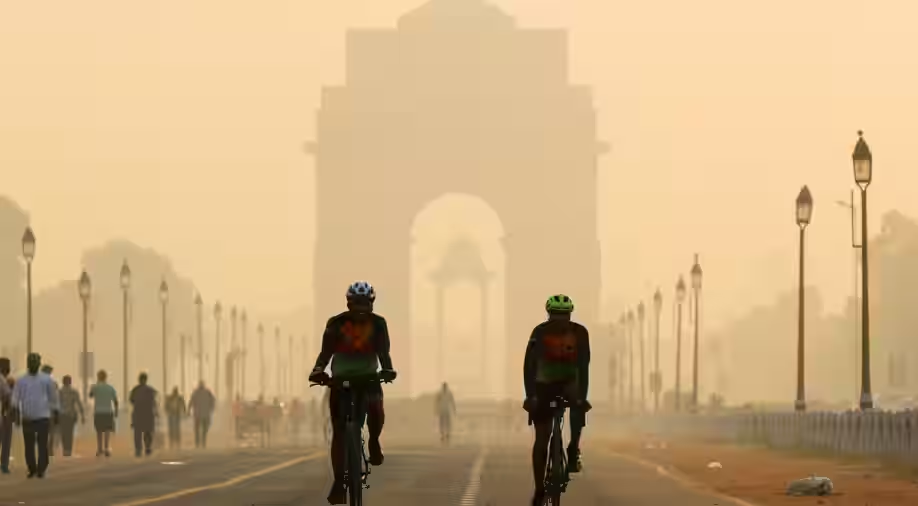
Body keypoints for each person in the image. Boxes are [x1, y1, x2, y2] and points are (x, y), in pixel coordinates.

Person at [308, 281, 397, 505]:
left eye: (364, 304)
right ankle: (339, 482)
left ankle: (374, 440)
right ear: (348, 303)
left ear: (371, 303)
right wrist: (318, 370)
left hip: (368, 378)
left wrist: (387, 369)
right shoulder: (336, 324)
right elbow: (325, 353)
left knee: (376, 411)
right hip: (341, 381)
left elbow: (383, 352)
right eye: (356, 304)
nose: (360, 309)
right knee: (339, 433)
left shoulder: (379, 324)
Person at [522, 295, 591, 506]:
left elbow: (583, 367)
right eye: (556, 316)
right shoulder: (539, 333)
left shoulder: (580, 334)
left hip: (568, 383)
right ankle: (540, 489)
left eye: (564, 316)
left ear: (570, 315)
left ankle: (572, 449)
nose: (560, 320)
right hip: (544, 386)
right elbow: (529, 366)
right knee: (542, 439)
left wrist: (582, 398)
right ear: (549, 315)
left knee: (579, 407)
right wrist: (530, 395)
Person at [10, 353, 60, 478]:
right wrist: (15, 415)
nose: (33, 364)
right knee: (29, 445)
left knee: (42, 444)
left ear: (38, 364)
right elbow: (15, 399)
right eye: (30, 362)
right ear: (28, 364)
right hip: (27, 417)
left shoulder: (46, 379)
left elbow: (53, 397)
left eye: (35, 362)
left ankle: (41, 469)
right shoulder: (21, 380)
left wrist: (56, 412)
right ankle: (32, 468)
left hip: (43, 417)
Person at [89, 369, 118, 457]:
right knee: (107, 430)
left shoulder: (95, 387)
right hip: (108, 411)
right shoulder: (110, 387)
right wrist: (116, 411)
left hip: (98, 411)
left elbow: (90, 395)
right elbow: (115, 400)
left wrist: (93, 387)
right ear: (105, 377)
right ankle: (106, 448)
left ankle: (99, 449)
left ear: (98, 377)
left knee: (99, 431)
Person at [129, 372, 158, 457]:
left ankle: (138, 449)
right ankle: (148, 448)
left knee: (137, 432)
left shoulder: (135, 390)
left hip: (138, 413)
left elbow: (131, 400)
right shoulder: (151, 390)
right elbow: (154, 401)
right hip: (148, 413)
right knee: (148, 432)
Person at [57, 375, 85, 457]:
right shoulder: (74, 392)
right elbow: (78, 403)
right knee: (70, 433)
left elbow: (57, 404)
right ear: (70, 382)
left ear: (63, 382)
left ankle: (65, 450)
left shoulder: (59, 392)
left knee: (63, 433)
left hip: (62, 415)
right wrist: (82, 414)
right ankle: (69, 450)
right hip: (71, 415)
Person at [40, 365, 59, 456]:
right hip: (50, 410)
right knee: (51, 430)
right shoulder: (52, 383)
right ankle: (49, 449)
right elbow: (55, 398)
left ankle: (44, 448)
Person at [189, 381, 215, 448]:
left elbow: (191, 401)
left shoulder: (196, 392)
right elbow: (212, 401)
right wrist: (211, 408)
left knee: (197, 430)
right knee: (204, 429)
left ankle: (197, 443)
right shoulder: (207, 392)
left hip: (197, 414)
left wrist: (189, 410)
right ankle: (203, 441)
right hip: (205, 414)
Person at [0, 357, 12, 474]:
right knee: (5, 440)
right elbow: (7, 397)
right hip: (3, 415)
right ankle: (4, 465)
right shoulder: (3, 380)